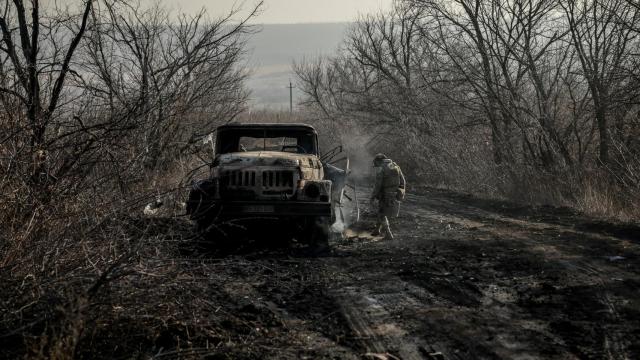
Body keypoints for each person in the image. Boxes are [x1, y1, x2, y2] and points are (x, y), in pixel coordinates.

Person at [370, 153, 406, 240]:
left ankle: (388, 234)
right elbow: (403, 181)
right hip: (395, 193)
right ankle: (377, 230)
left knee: (382, 213)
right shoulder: (395, 166)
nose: (376, 165)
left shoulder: (382, 168)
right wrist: (401, 193)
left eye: (376, 163)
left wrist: (373, 196)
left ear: (379, 161)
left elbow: (378, 185)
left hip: (386, 194)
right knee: (381, 210)